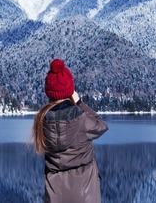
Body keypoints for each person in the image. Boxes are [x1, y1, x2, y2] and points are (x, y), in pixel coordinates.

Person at [32, 59, 108, 203]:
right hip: (85, 193)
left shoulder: (41, 121)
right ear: (70, 91)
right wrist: (79, 103)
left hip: (55, 194)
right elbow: (102, 125)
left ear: (49, 92)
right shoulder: (82, 119)